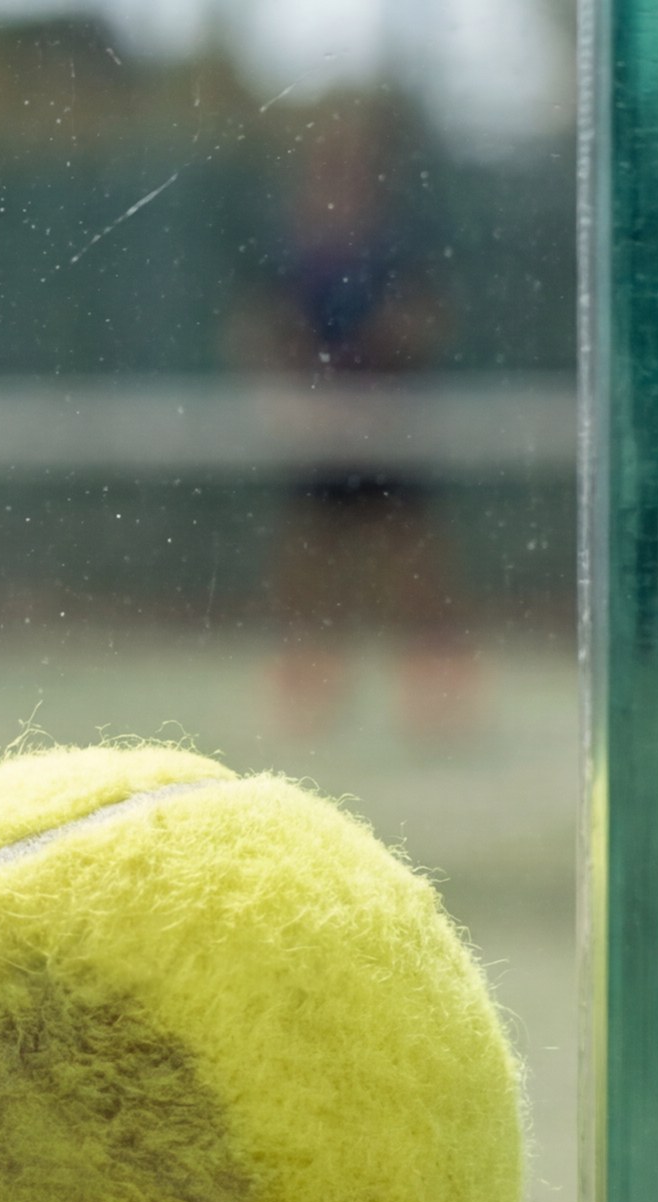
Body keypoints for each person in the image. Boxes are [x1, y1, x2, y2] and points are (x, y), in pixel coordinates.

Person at [229, 104, 479, 742]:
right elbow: (259, 330)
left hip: (387, 435)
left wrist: (369, 365)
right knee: (308, 568)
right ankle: (307, 690)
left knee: (411, 564)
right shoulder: (292, 257)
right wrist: (296, 388)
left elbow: (422, 319)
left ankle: (438, 694)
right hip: (321, 441)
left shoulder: (393, 251)